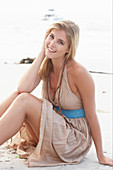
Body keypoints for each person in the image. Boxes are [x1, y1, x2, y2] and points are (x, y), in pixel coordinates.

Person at [0, 20, 112, 167]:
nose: (52, 44)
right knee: (18, 95)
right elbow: (22, 87)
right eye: (51, 37)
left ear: (68, 48)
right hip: (52, 129)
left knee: (24, 101)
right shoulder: (47, 64)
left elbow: (92, 115)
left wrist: (100, 155)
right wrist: (42, 52)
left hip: (73, 139)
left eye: (60, 42)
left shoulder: (78, 72)